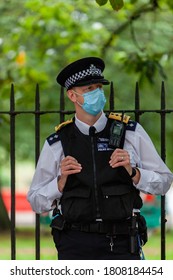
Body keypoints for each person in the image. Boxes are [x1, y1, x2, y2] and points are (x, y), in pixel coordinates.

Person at [27, 57, 173, 260]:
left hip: (122, 241)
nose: (97, 93)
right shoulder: (58, 142)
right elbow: (35, 201)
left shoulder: (129, 132)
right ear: (72, 95)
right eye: (89, 89)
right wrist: (59, 184)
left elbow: (164, 182)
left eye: (99, 87)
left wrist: (134, 172)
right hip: (74, 242)